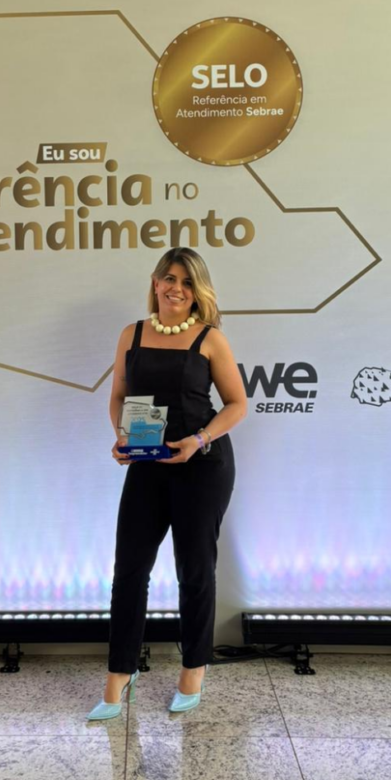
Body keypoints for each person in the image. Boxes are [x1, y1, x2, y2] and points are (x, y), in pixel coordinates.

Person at [87, 247, 248, 720]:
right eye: (169, 278)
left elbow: (237, 404)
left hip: (202, 464)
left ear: (197, 292)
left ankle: (193, 670)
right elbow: (119, 395)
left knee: (194, 571)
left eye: (187, 281)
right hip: (147, 463)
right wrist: (121, 437)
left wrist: (198, 440)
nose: (176, 288)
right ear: (155, 282)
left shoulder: (210, 339)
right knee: (129, 572)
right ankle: (120, 674)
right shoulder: (132, 334)